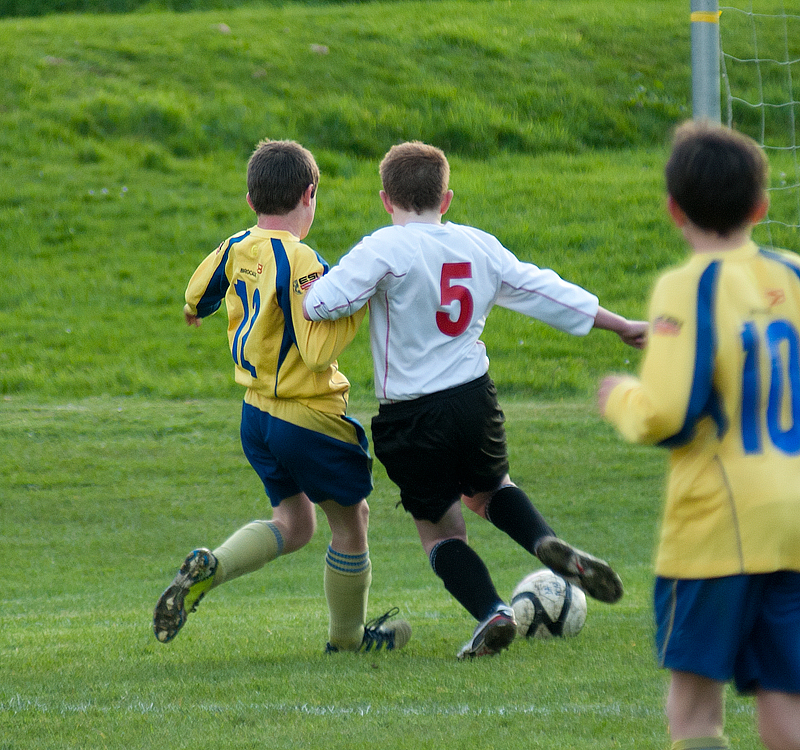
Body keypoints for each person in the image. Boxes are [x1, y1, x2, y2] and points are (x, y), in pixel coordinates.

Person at [303, 140, 647, 659]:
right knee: (489, 490)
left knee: (440, 532)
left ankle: (493, 611)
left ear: (385, 199)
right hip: (473, 401)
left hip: (410, 414)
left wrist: (325, 287)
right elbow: (544, 290)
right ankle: (543, 542)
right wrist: (620, 325)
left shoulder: (384, 248)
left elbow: (323, 303)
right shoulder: (479, 245)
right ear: (446, 200)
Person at [153, 139, 411, 654]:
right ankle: (348, 639)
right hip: (307, 416)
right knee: (351, 520)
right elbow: (315, 350)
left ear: (251, 199)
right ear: (309, 194)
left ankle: (213, 566)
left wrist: (197, 313)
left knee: (293, 525)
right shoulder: (302, 259)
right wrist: (357, 302)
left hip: (256, 417)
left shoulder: (234, 246)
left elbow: (196, 295)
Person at [599, 121, 800, 750]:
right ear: (762, 207)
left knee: (693, 707)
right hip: (795, 519)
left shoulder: (685, 286)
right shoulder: (794, 274)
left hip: (719, 520)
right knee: (785, 694)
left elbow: (669, 414)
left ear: (673, 209)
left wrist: (620, 400)